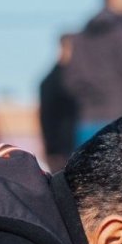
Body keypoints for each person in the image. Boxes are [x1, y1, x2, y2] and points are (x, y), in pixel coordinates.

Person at [64, 0, 122, 146]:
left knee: (86, 171)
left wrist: (88, 98)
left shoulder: (81, 35)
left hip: (87, 119)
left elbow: (71, 80)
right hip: (121, 120)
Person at [38, 34, 78, 173]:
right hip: (61, 150)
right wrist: (52, 149)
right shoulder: (52, 81)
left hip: (66, 147)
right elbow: (47, 117)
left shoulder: (72, 78)